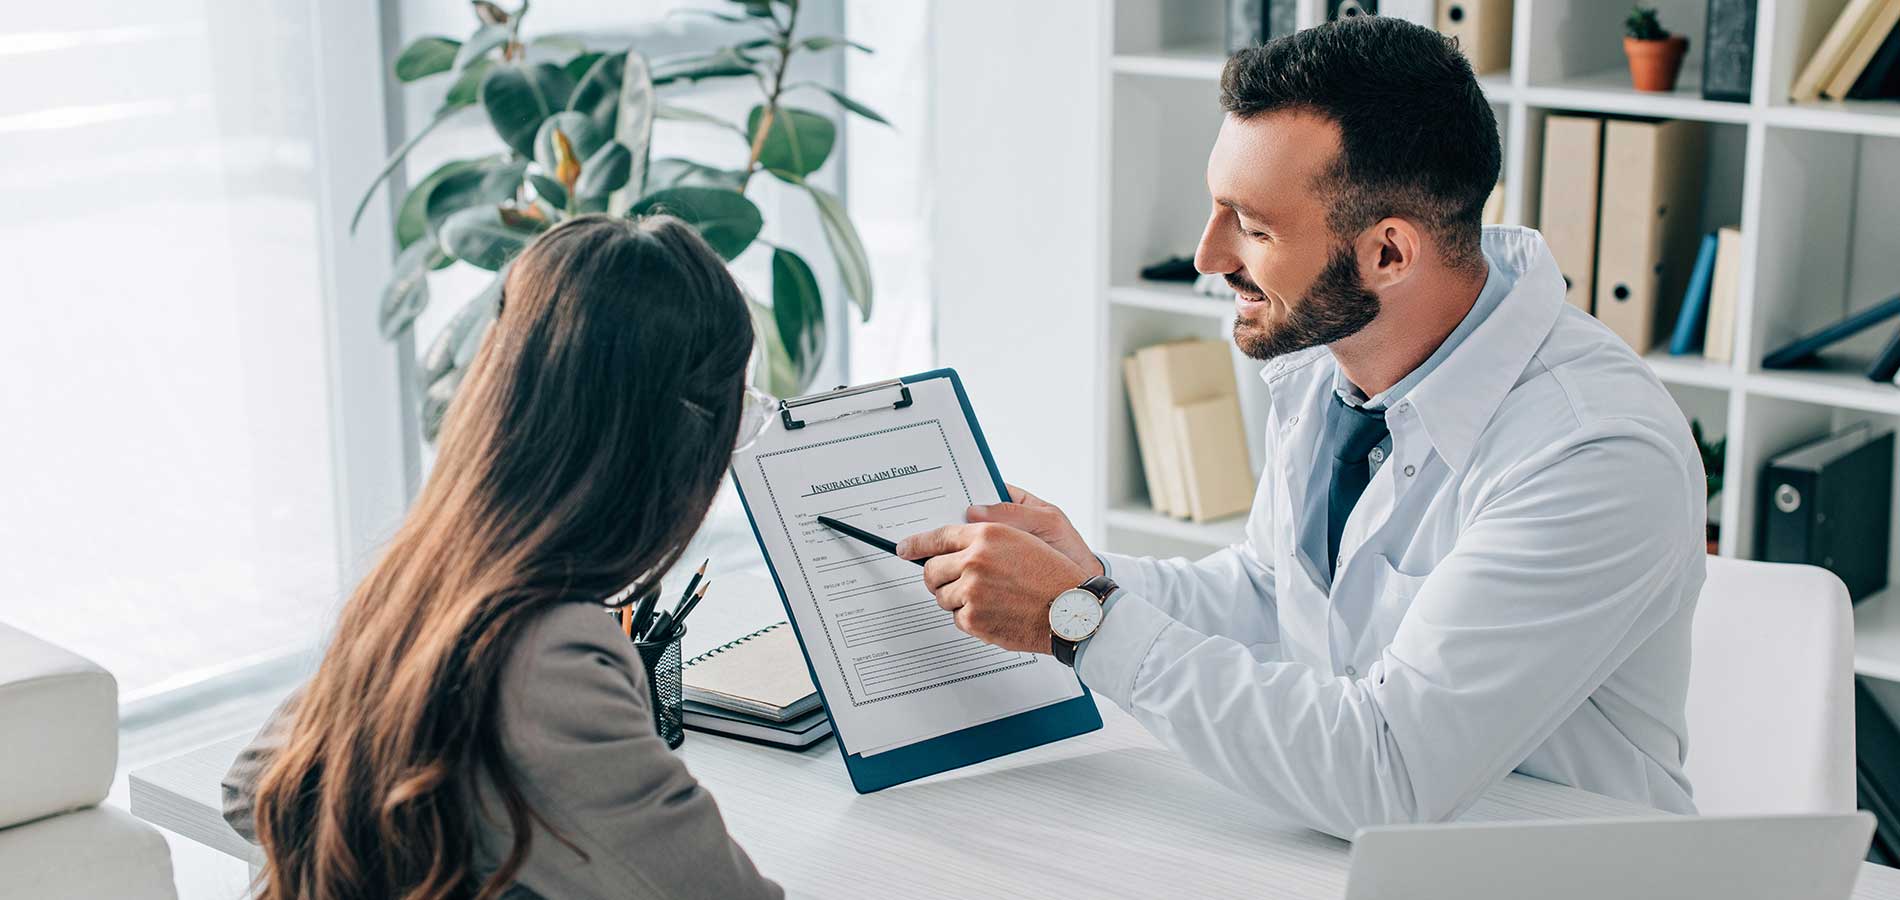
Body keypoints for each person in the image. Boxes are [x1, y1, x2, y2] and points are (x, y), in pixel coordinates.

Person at [898, 16, 1705, 839]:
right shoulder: (1336, 350)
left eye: (1251, 226)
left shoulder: (1592, 450)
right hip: (1352, 859)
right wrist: (1084, 570)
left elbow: (1386, 773)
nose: (1209, 255)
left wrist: (1082, 619)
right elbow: (1274, 595)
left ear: (1389, 253)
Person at [221, 214, 785, 899]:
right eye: (739, 417)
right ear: (670, 441)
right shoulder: (550, 658)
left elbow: (256, 787)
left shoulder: (421, 583)